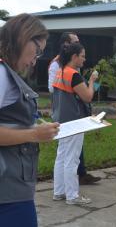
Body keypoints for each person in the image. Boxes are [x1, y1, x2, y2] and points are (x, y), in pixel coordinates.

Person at [0, 13, 59, 227]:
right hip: (8, 193)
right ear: (23, 38)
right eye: (38, 50)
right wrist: (33, 134)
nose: (36, 59)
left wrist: (32, 128)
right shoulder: (1, 74)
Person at [48, 32, 100, 185]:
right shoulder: (73, 75)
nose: (84, 59)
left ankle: (59, 191)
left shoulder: (60, 71)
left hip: (61, 118)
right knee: (72, 159)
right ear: (74, 56)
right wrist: (91, 81)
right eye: (82, 56)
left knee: (61, 157)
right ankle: (72, 195)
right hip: (74, 120)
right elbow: (87, 97)